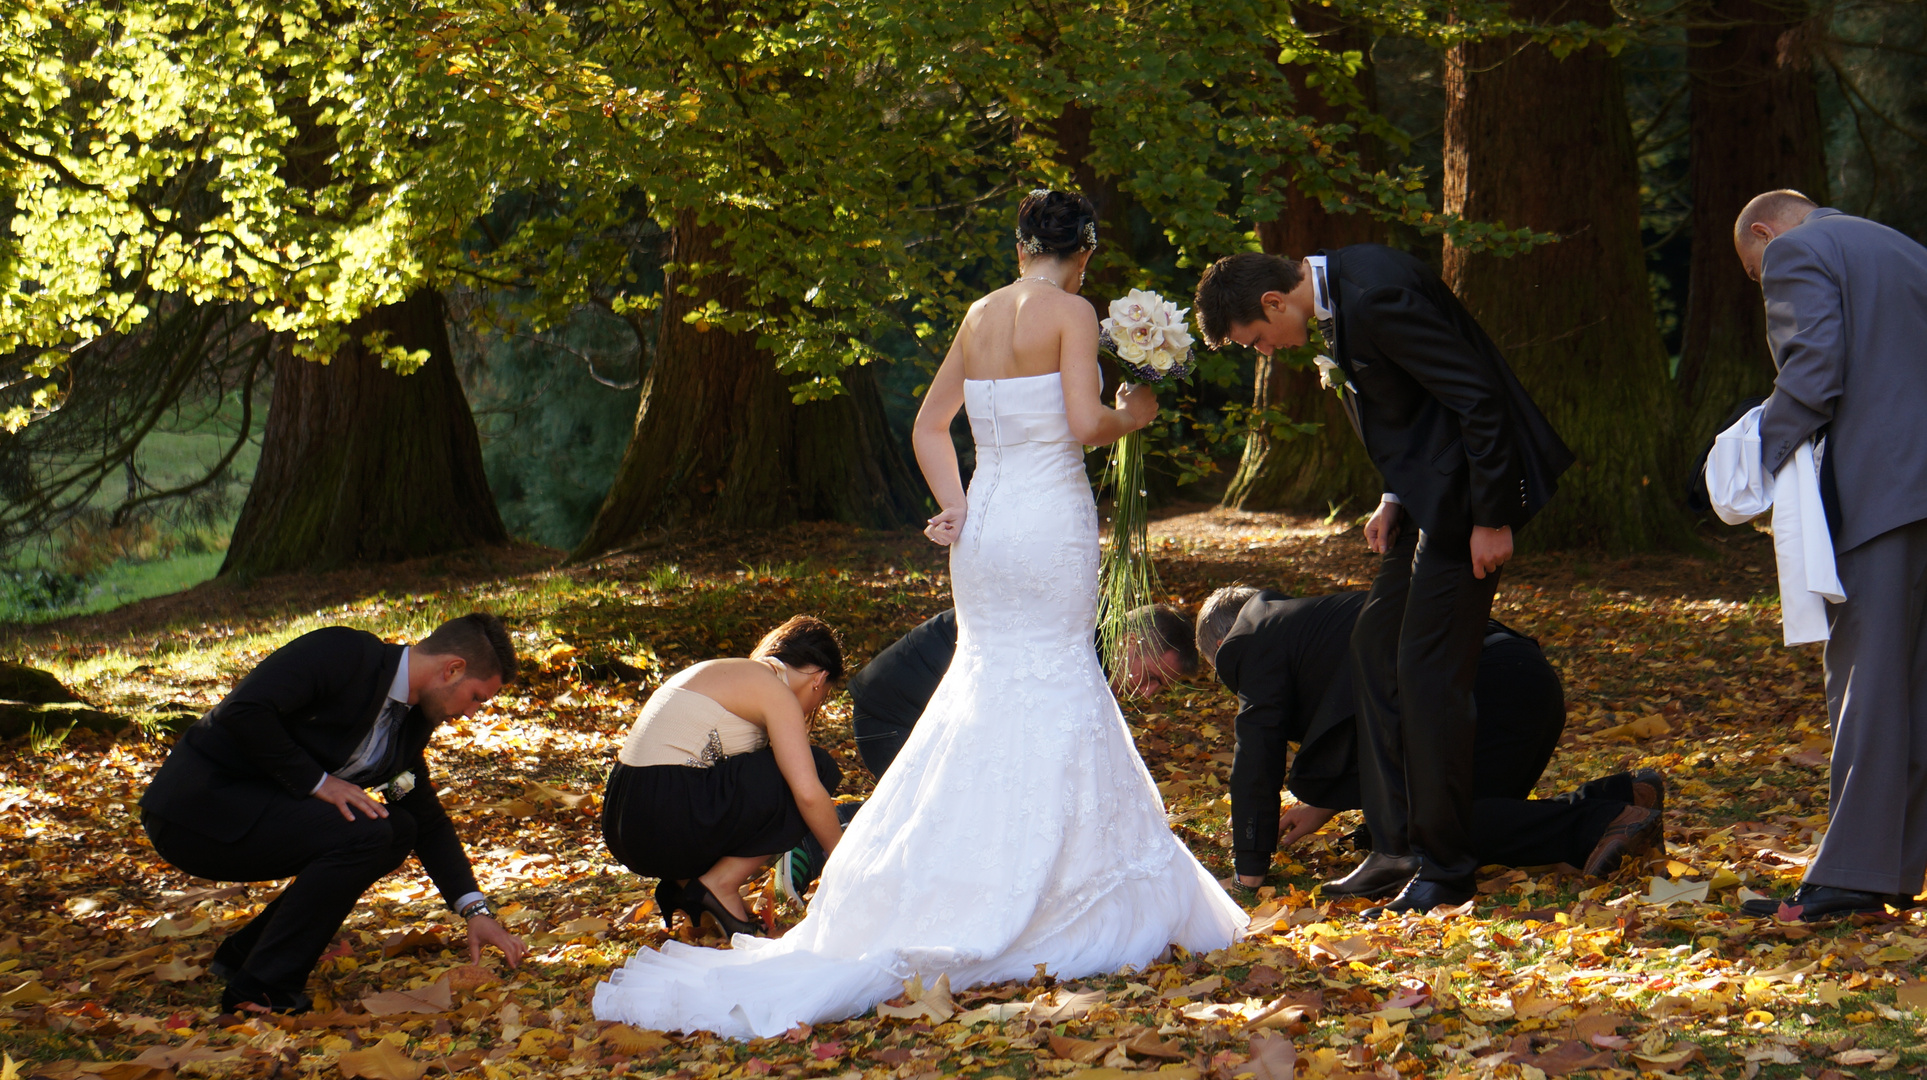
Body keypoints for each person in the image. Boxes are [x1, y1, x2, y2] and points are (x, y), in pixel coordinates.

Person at [592, 189, 1245, 1039]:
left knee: (989, 685)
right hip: (1047, 524)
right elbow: (1085, 422)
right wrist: (1135, 415)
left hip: (988, 527)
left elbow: (930, 424)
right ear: (1081, 254)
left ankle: (960, 873)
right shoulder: (1073, 312)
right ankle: (1052, 882)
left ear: (1019, 249)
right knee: (1053, 675)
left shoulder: (979, 315)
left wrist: (959, 505)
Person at [1194, 249, 1574, 916]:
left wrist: (1493, 516)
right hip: (1426, 497)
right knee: (1373, 643)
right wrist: (1394, 494)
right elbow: (1414, 406)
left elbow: (1476, 396)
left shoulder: (1374, 297)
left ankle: (1444, 866)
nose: (1264, 352)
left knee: (1429, 676)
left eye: (1255, 340)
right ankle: (1395, 843)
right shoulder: (1342, 295)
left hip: (1466, 501)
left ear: (1272, 304)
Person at [138, 614, 527, 1014]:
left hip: (259, 822)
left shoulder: (411, 724)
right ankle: (260, 989)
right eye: (478, 697)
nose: (471, 713)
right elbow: (243, 711)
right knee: (368, 832)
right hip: (195, 814)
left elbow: (424, 815)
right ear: (453, 669)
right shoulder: (343, 653)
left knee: (397, 828)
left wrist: (475, 911)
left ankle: (245, 954)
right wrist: (318, 782)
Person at [1195, 585, 1663, 898]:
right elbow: (1369, 721)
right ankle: (1619, 796)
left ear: (1222, 646)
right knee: (1422, 825)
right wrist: (1322, 807)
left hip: (1486, 691)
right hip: (1519, 678)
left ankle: (1603, 821)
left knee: (1430, 834)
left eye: (1221, 675)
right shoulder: (1310, 624)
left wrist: (1249, 869)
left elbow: (1256, 755)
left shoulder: (1249, 639)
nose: (1231, 684)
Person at [1727, 191, 1927, 922]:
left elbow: (1813, 368)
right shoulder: (1903, 246)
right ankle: (1889, 867)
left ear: (1761, 232)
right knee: (1914, 688)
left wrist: (1756, 462)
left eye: (1752, 274)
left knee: (1866, 685)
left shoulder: (1795, 249)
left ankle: (1851, 877)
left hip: (1882, 490)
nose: (1762, 279)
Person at [601, 616, 848, 937]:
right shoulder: (774, 689)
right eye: (823, 697)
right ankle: (721, 884)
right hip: (663, 813)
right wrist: (846, 863)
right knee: (815, 768)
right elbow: (808, 793)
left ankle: (691, 887)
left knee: (769, 772)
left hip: (623, 821)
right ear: (819, 678)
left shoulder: (728, 671)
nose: (813, 708)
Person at [847, 603, 1196, 777]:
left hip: (933, 719)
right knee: (942, 821)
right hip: (892, 717)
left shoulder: (1089, 644)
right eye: (1152, 677)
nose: (1148, 694)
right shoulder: (1074, 650)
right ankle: (831, 831)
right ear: (1129, 642)